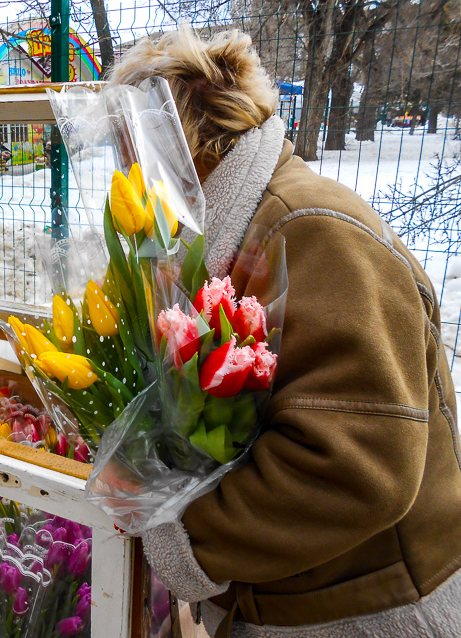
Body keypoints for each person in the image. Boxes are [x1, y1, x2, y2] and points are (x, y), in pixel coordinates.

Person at [109, 28, 461, 637]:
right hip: (300, 594)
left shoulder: (316, 233)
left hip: (363, 611)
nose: (125, 169)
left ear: (179, 139)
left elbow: (354, 466)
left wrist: (180, 533)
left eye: (130, 145)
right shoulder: (231, 230)